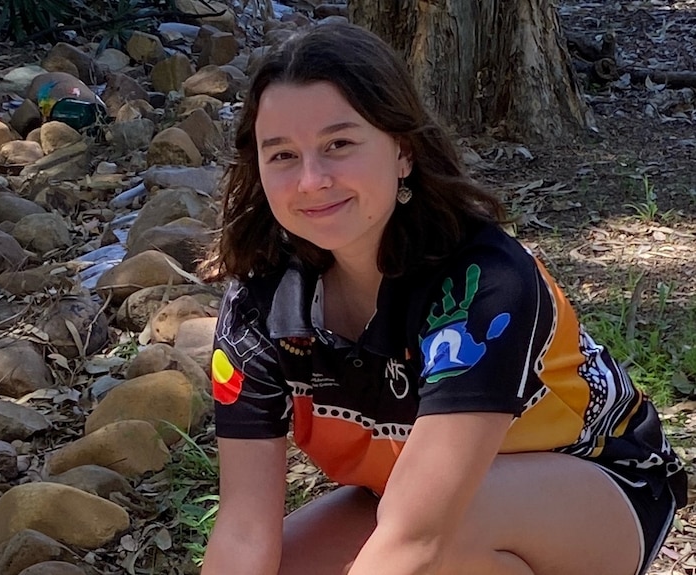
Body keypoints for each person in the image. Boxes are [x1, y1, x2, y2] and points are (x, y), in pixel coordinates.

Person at [199, 22, 686, 575]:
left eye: (339, 144)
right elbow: (242, 531)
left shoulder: (484, 282)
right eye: (282, 155)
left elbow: (415, 539)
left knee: (442, 544)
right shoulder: (258, 303)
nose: (311, 180)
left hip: (597, 486)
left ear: (402, 150)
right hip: (411, 499)